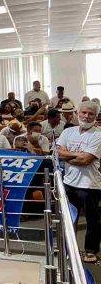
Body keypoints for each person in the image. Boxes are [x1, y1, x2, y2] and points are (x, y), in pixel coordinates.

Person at [57, 101, 101, 263]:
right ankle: (69, 249)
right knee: (69, 219)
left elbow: (86, 160)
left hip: (90, 185)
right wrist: (76, 155)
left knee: (92, 220)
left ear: (96, 116)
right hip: (69, 183)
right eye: (84, 112)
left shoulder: (98, 135)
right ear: (77, 113)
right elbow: (58, 153)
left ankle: (91, 250)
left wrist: (67, 156)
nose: (86, 116)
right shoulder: (68, 132)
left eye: (91, 114)